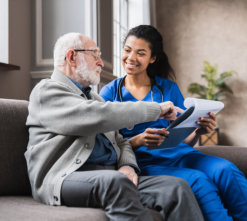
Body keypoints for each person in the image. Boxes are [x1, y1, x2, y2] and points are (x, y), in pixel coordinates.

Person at [24, 32, 205, 221]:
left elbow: (120, 141)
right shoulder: (46, 91)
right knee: (116, 182)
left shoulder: (94, 98)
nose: (101, 63)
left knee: (177, 187)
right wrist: (157, 109)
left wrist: (127, 165)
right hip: (63, 178)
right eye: (95, 55)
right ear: (71, 57)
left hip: (108, 175)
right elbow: (97, 116)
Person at [100, 25, 247, 221]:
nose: (131, 57)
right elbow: (105, 144)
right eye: (127, 50)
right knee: (198, 181)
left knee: (226, 170)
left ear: (153, 58)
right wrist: (139, 140)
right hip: (145, 162)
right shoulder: (109, 94)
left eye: (140, 53)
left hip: (180, 154)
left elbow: (183, 139)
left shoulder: (167, 88)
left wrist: (198, 131)